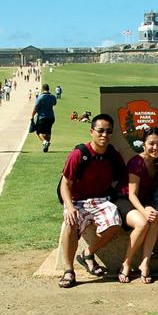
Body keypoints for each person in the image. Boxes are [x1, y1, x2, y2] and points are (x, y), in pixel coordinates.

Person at [57, 114, 127, 288]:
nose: (104, 135)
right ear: (91, 132)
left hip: (101, 200)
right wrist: (70, 207)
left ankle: (88, 253)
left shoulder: (112, 155)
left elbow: (120, 179)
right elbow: (65, 184)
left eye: (109, 132)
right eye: (100, 131)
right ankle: (69, 270)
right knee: (70, 223)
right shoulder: (79, 154)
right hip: (76, 200)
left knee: (115, 223)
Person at [116, 126, 158, 284]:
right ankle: (126, 263)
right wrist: (143, 211)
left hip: (143, 202)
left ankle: (145, 264)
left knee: (154, 217)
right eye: (151, 143)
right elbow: (131, 194)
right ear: (143, 144)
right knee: (142, 223)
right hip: (124, 200)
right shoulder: (137, 162)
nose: (155, 147)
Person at [31, 83, 58, 152]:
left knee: (39, 131)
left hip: (42, 117)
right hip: (51, 117)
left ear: (42, 89)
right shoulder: (53, 97)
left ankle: (44, 142)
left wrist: (32, 115)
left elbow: (36, 108)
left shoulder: (40, 97)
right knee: (48, 131)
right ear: (48, 89)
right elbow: (54, 103)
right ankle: (46, 147)